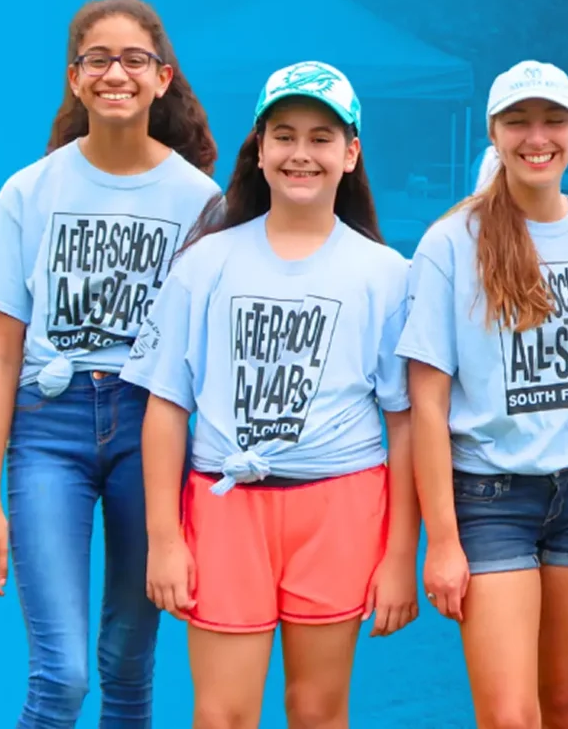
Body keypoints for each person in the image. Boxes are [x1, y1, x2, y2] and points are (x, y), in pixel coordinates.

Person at [0, 0, 221, 729]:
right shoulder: (30, 190)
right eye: (97, 60)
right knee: (62, 674)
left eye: (135, 60)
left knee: (128, 667)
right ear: (75, 79)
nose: (116, 74)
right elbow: (1, 351)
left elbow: (211, 353)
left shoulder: (200, 201)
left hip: (151, 428)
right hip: (48, 430)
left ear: (163, 78)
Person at [121, 60, 421, 729]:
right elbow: (167, 406)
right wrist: (164, 537)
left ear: (351, 153)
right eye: (283, 135)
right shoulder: (206, 263)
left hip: (338, 507)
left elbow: (405, 422)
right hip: (226, 510)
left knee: (316, 711)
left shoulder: (384, 273)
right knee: (222, 714)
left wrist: (401, 555)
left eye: (321, 137)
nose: (301, 154)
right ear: (258, 150)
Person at [397, 60, 568, 728]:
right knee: (511, 715)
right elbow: (427, 404)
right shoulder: (451, 244)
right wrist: (442, 541)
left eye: (553, 121)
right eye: (518, 122)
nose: (538, 137)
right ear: (495, 134)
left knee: (564, 704)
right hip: (489, 499)